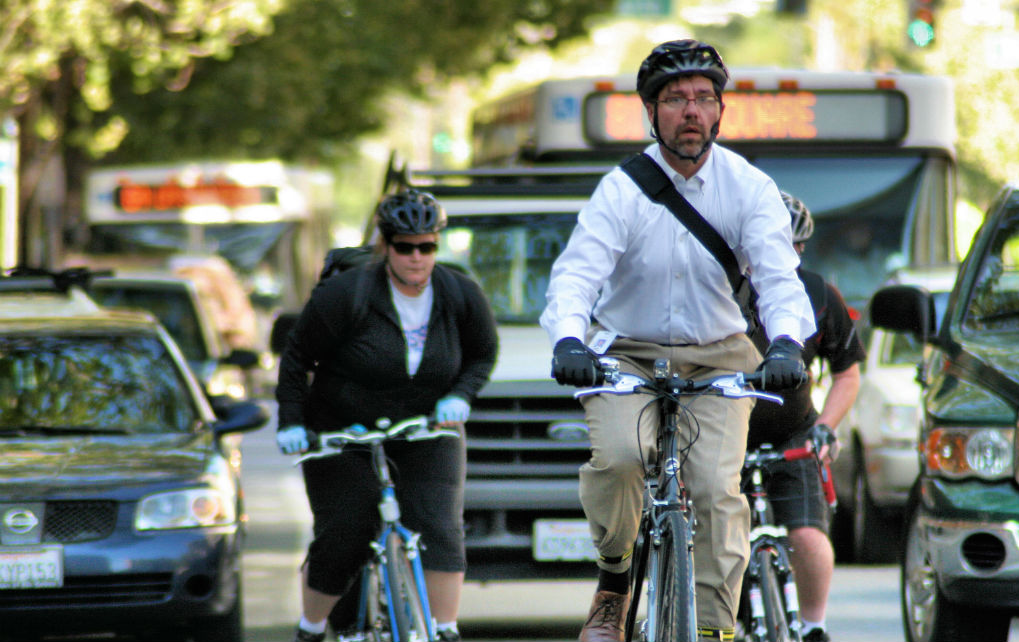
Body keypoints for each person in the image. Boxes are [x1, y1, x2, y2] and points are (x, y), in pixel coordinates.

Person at [541, 40, 816, 642]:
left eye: (702, 98)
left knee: (719, 493)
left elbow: (777, 277)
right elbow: (578, 273)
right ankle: (614, 582)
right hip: (628, 353)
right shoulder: (622, 190)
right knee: (618, 459)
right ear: (652, 112)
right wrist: (568, 340)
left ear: (719, 111)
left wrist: (786, 345)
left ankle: (714, 629)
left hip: (719, 354)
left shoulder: (748, 187)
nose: (690, 110)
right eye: (674, 99)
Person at [275, 189, 498, 642]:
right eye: (404, 246)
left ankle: (444, 630)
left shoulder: (460, 294)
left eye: (427, 246)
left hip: (426, 428)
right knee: (347, 532)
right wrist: (293, 422)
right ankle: (311, 627)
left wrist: (461, 395)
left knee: (440, 526)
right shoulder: (347, 295)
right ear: (385, 245)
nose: (416, 257)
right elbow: (297, 358)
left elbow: (483, 353)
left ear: (437, 244)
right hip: (340, 429)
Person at [746, 192, 865, 642]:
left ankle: (813, 626)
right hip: (723, 434)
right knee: (719, 539)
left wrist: (824, 427)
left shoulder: (817, 294)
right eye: (780, 244)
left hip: (792, 434)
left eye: (799, 247)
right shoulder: (720, 289)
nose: (790, 256)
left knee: (809, 537)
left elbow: (847, 375)